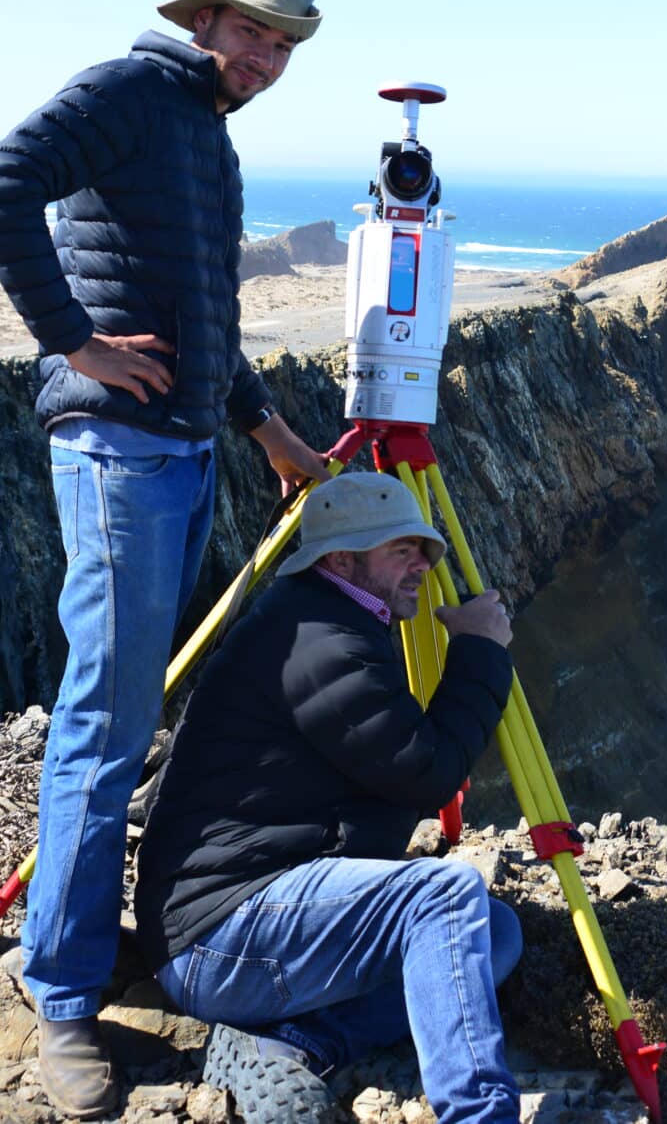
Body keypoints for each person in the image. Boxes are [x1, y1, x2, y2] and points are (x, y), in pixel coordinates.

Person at [0, 0, 334, 1117]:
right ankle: (62, 998)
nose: (265, 60)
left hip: (181, 453)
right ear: (206, 22)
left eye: (283, 47)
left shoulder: (203, 133)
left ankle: (85, 945)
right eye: (253, 35)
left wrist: (267, 427)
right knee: (104, 722)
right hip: (117, 453)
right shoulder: (131, 92)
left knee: (131, 715)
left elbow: (205, 311)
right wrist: (74, 342)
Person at [134, 472, 524, 1124]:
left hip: (254, 905)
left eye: (425, 550)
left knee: (494, 929)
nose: (423, 566)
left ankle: (291, 1043)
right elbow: (426, 773)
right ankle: (481, 1115)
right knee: (444, 895)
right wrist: (480, 651)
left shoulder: (332, 615)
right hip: (213, 937)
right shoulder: (322, 641)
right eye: (402, 549)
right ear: (341, 559)